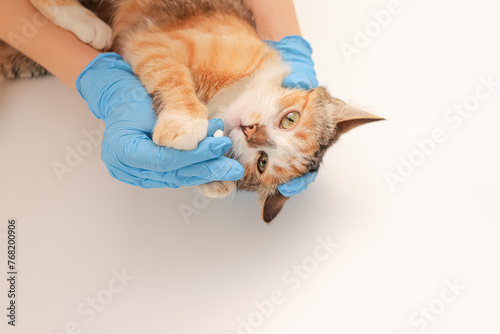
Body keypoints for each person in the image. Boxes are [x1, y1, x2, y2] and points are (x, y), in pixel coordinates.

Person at [0, 0, 317, 194]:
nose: (256, 135)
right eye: (289, 121)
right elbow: (154, 43)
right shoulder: (245, 60)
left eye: (261, 160)